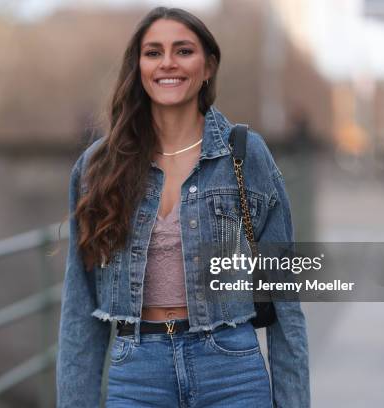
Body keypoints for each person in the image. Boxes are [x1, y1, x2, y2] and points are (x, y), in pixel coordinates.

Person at [57, 6, 309, 408]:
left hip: (231, 372)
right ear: (138, 67)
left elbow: (285, 301)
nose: (168, 63)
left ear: (208, 66)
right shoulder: (98, 167)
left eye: (183, 51)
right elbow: (79, 307)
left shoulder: (244, 155)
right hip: (137, 374)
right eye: (153, 52)